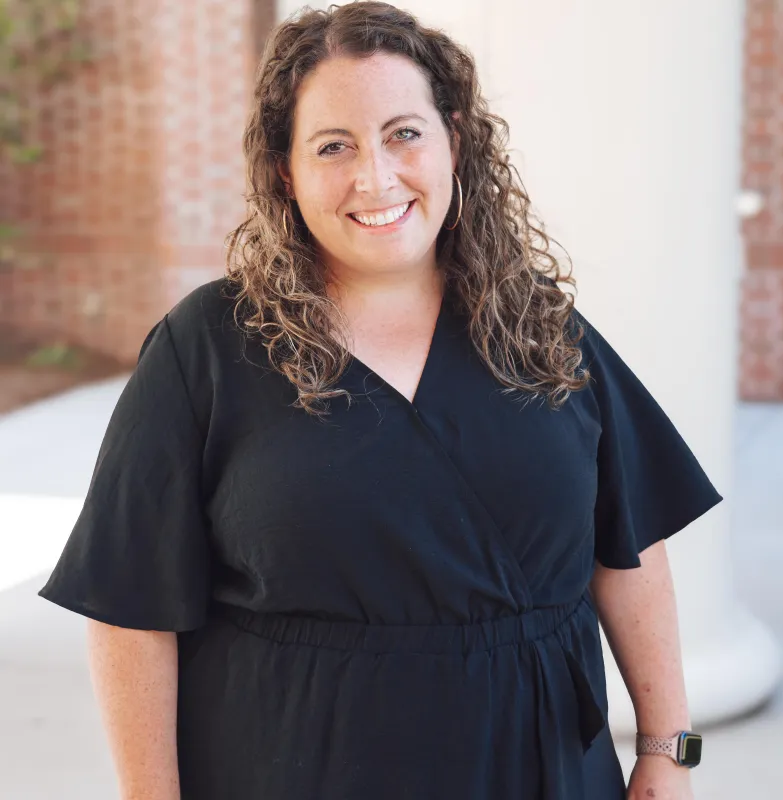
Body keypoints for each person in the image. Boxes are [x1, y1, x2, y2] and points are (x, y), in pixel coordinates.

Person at [38, 3, 723, 799]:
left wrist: (667, 752)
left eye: (404, 132)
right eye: (334, 146)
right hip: (291, 766)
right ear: (286, 172)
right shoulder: (209, 347)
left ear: (454, 140)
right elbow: (130, 606)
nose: (377, 176)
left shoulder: (541, 329)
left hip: (538, 770)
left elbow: (627, 545)